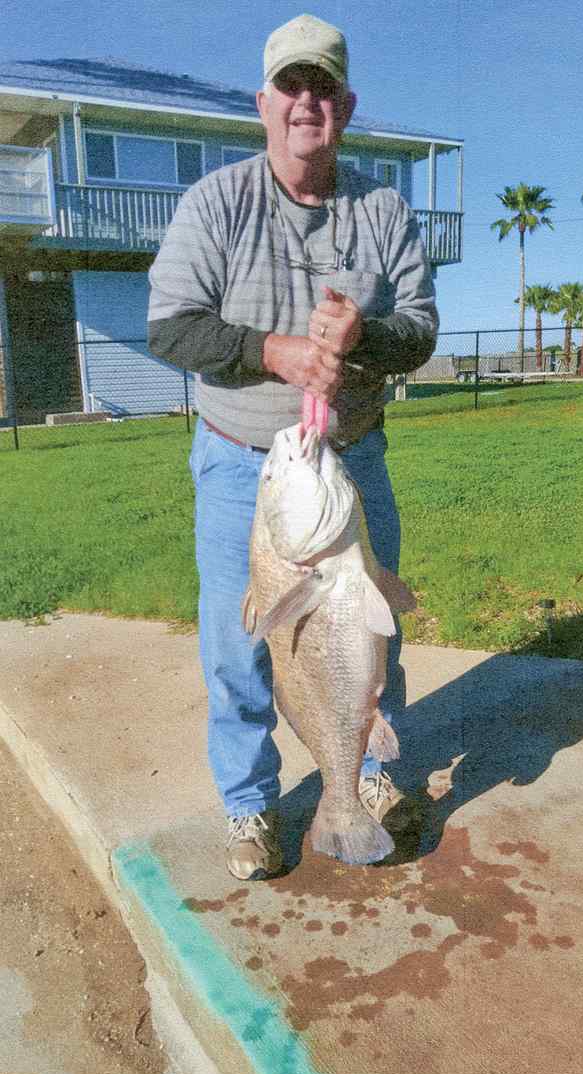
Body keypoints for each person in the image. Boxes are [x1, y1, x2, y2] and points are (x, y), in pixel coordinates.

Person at [148, 13, 439, 880]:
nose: (305, 101)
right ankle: (251, 807)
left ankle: (369, 774)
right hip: (247, 466)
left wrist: (366, 337)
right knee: (241, 646)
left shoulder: (384, 209)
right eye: (290, 86)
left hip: (354, 460)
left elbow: (419, 329)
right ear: (263, 102)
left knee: (367, 630)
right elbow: (170, 327)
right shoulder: (217, 202)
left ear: (345, 106)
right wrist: (273, 350)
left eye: (323, 88)